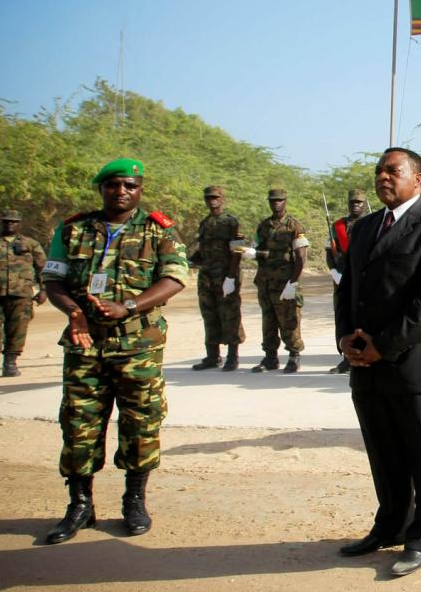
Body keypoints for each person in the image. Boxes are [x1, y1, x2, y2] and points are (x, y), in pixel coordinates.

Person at [41, 158, 187, 543]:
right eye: (113, 185)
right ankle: (80, 505)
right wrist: (74, 312)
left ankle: (134, 501)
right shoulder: (73, 229)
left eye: (129, 186)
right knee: (79, 422)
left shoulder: (158, 230)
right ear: (101, 189)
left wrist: (129, 307)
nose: (121, 191)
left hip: (138, 345)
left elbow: (174, 278)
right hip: (84, 343)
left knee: (141, 422)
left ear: (139, 190)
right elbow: (53, 279)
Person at [334, 147, 421, 577]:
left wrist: (383, 345)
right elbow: (347, 288)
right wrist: (346, 338)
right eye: (379, 171)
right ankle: (389, 525)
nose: (383, 177)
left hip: (416, 362)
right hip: (366, 361)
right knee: (383, 451)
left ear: (417, 179)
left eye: (393, 170)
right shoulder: (365, 227)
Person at [246, 189, 308, 373]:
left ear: (285, 202)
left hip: (285, 281)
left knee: (289, 319)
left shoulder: (294, 226)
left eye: (279, 200)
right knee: (268, 320)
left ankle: (294, 356)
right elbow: (258, 250)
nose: (276, 203)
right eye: (273, 200)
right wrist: (253, 253)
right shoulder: (263, 226)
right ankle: (270, 357)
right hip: (266, 281)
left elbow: (301, 257)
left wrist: (293, 283)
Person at [187, 186, 244, 372]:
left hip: (225, 274)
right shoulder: (205, 223)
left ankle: (232, 356)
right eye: (208, 198)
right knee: (209, 314)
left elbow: (237, 251)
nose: (212, 201)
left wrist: (231, 277)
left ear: (222, 199)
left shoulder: (231, 222)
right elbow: (203, 249)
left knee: (230, 314)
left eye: (215, 198)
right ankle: (212, 356)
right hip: (207, 276)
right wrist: (190, 260)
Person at [325, 189, 369, 373]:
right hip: (342, 277)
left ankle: (365, 354)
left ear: (365, 204)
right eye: (352, 202)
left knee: (365, 317)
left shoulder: (372, 223)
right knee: (343, 316)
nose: (355, 205)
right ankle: (346, 357)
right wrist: (334, 271)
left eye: (359, 202)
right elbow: (330, 252)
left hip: (365, 278)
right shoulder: (338, 226)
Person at [0, 209, 47, 377]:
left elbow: (43, 267)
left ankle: (10, 363)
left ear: (19, 224)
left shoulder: (31, 244)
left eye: (13, 222)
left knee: (18, 329)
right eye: (6, 221)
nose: (10, 224)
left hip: (21, 293)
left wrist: (43, 289)